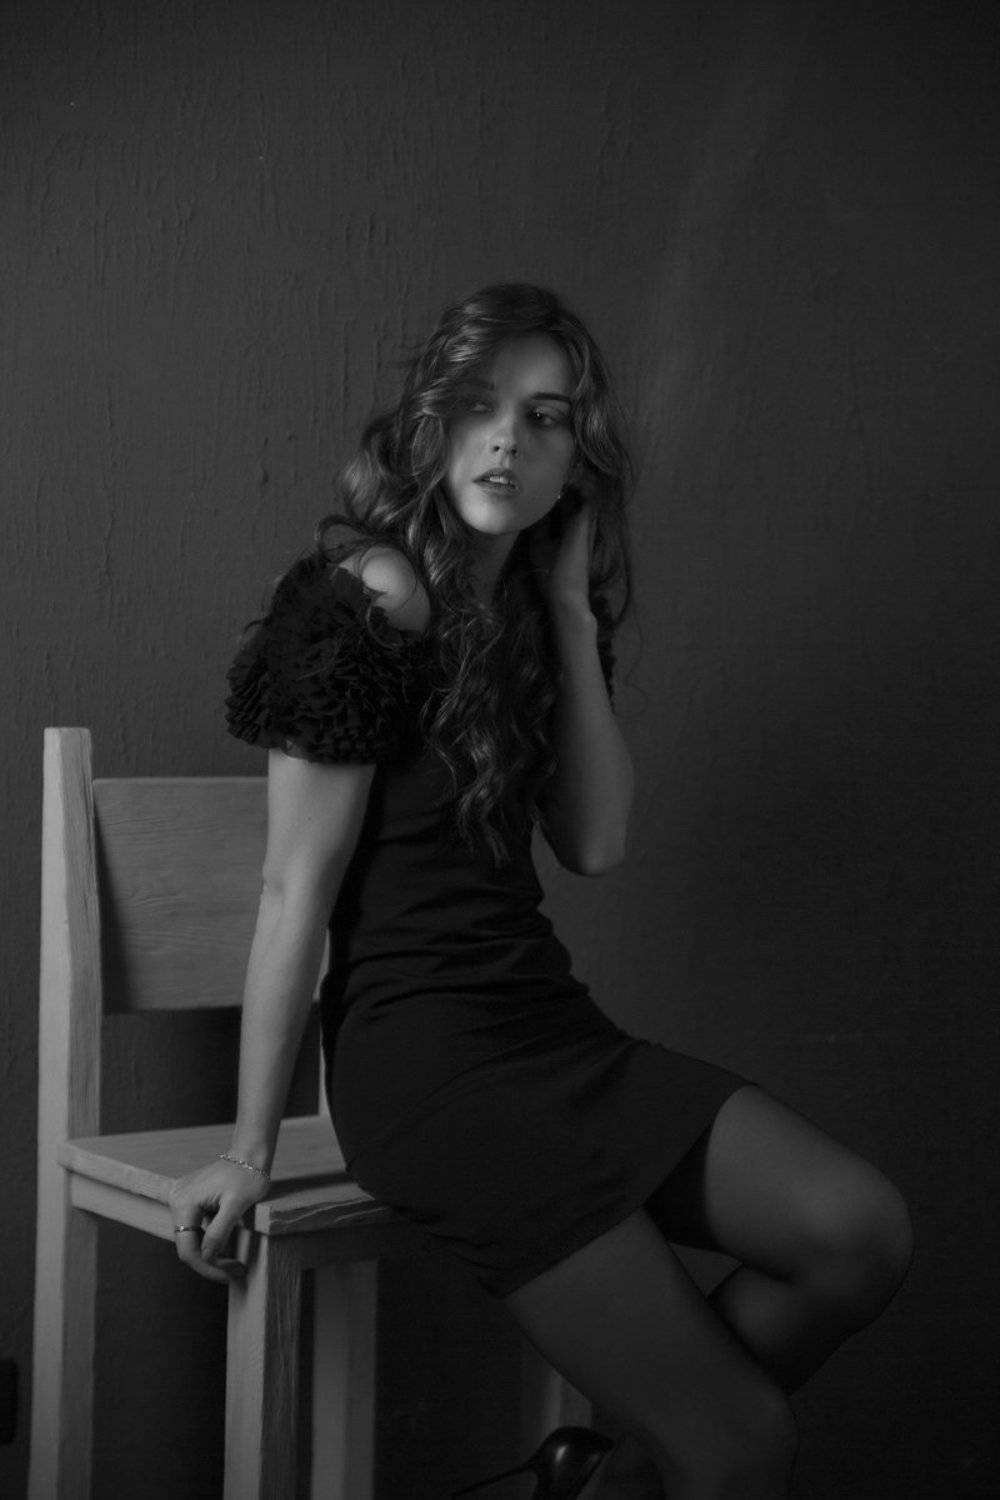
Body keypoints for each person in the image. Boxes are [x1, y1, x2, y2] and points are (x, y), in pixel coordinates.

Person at [169, 284, 913, 1498]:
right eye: (476, 405)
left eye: (545, 416)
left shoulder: (527, 610)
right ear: (428, 424)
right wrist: (248, 1152)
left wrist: (566, 611)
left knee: (860, 1232)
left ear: (580, 459)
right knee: (743, 1449)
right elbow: (290, 891)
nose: (506, 439)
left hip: (547, 1033)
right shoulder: (366, 596)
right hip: (426, 1069)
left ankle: (594, 1479)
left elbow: (596, 842)